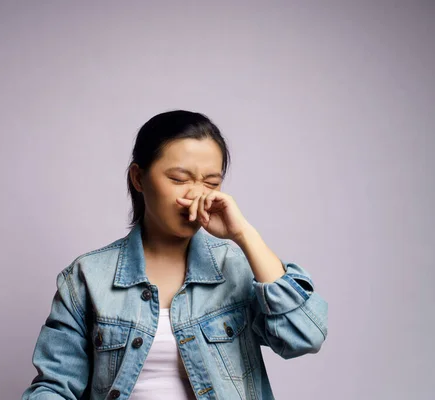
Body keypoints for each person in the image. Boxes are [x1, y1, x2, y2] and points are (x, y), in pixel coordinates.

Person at [20, 110, 328, 400]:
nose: (195, 195)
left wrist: (244, 234)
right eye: (179, 179)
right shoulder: (87, 277)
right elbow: (55, 386)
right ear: (138, 178)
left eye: (211, 183)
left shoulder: (239, 268)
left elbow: (304, 336)